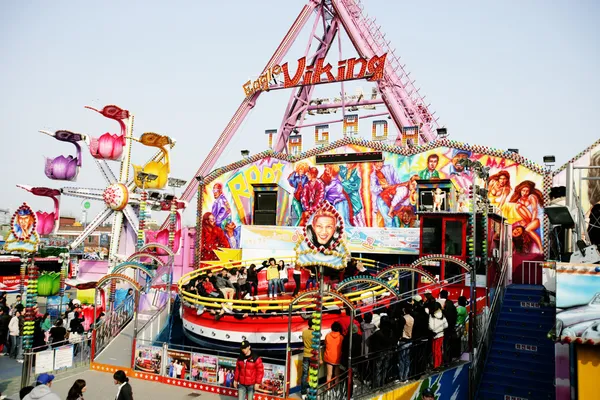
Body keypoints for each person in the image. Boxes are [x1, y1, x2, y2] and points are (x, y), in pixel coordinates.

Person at [428, 303, 448, 369]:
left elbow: (431, 326)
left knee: (435, 350)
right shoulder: (442, 315)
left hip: (435, 335)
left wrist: (433, 330)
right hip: (441, 334)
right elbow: (446, 325)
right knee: (439, 350)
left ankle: (436, 365)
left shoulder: (432, 315)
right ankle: (440, 363)